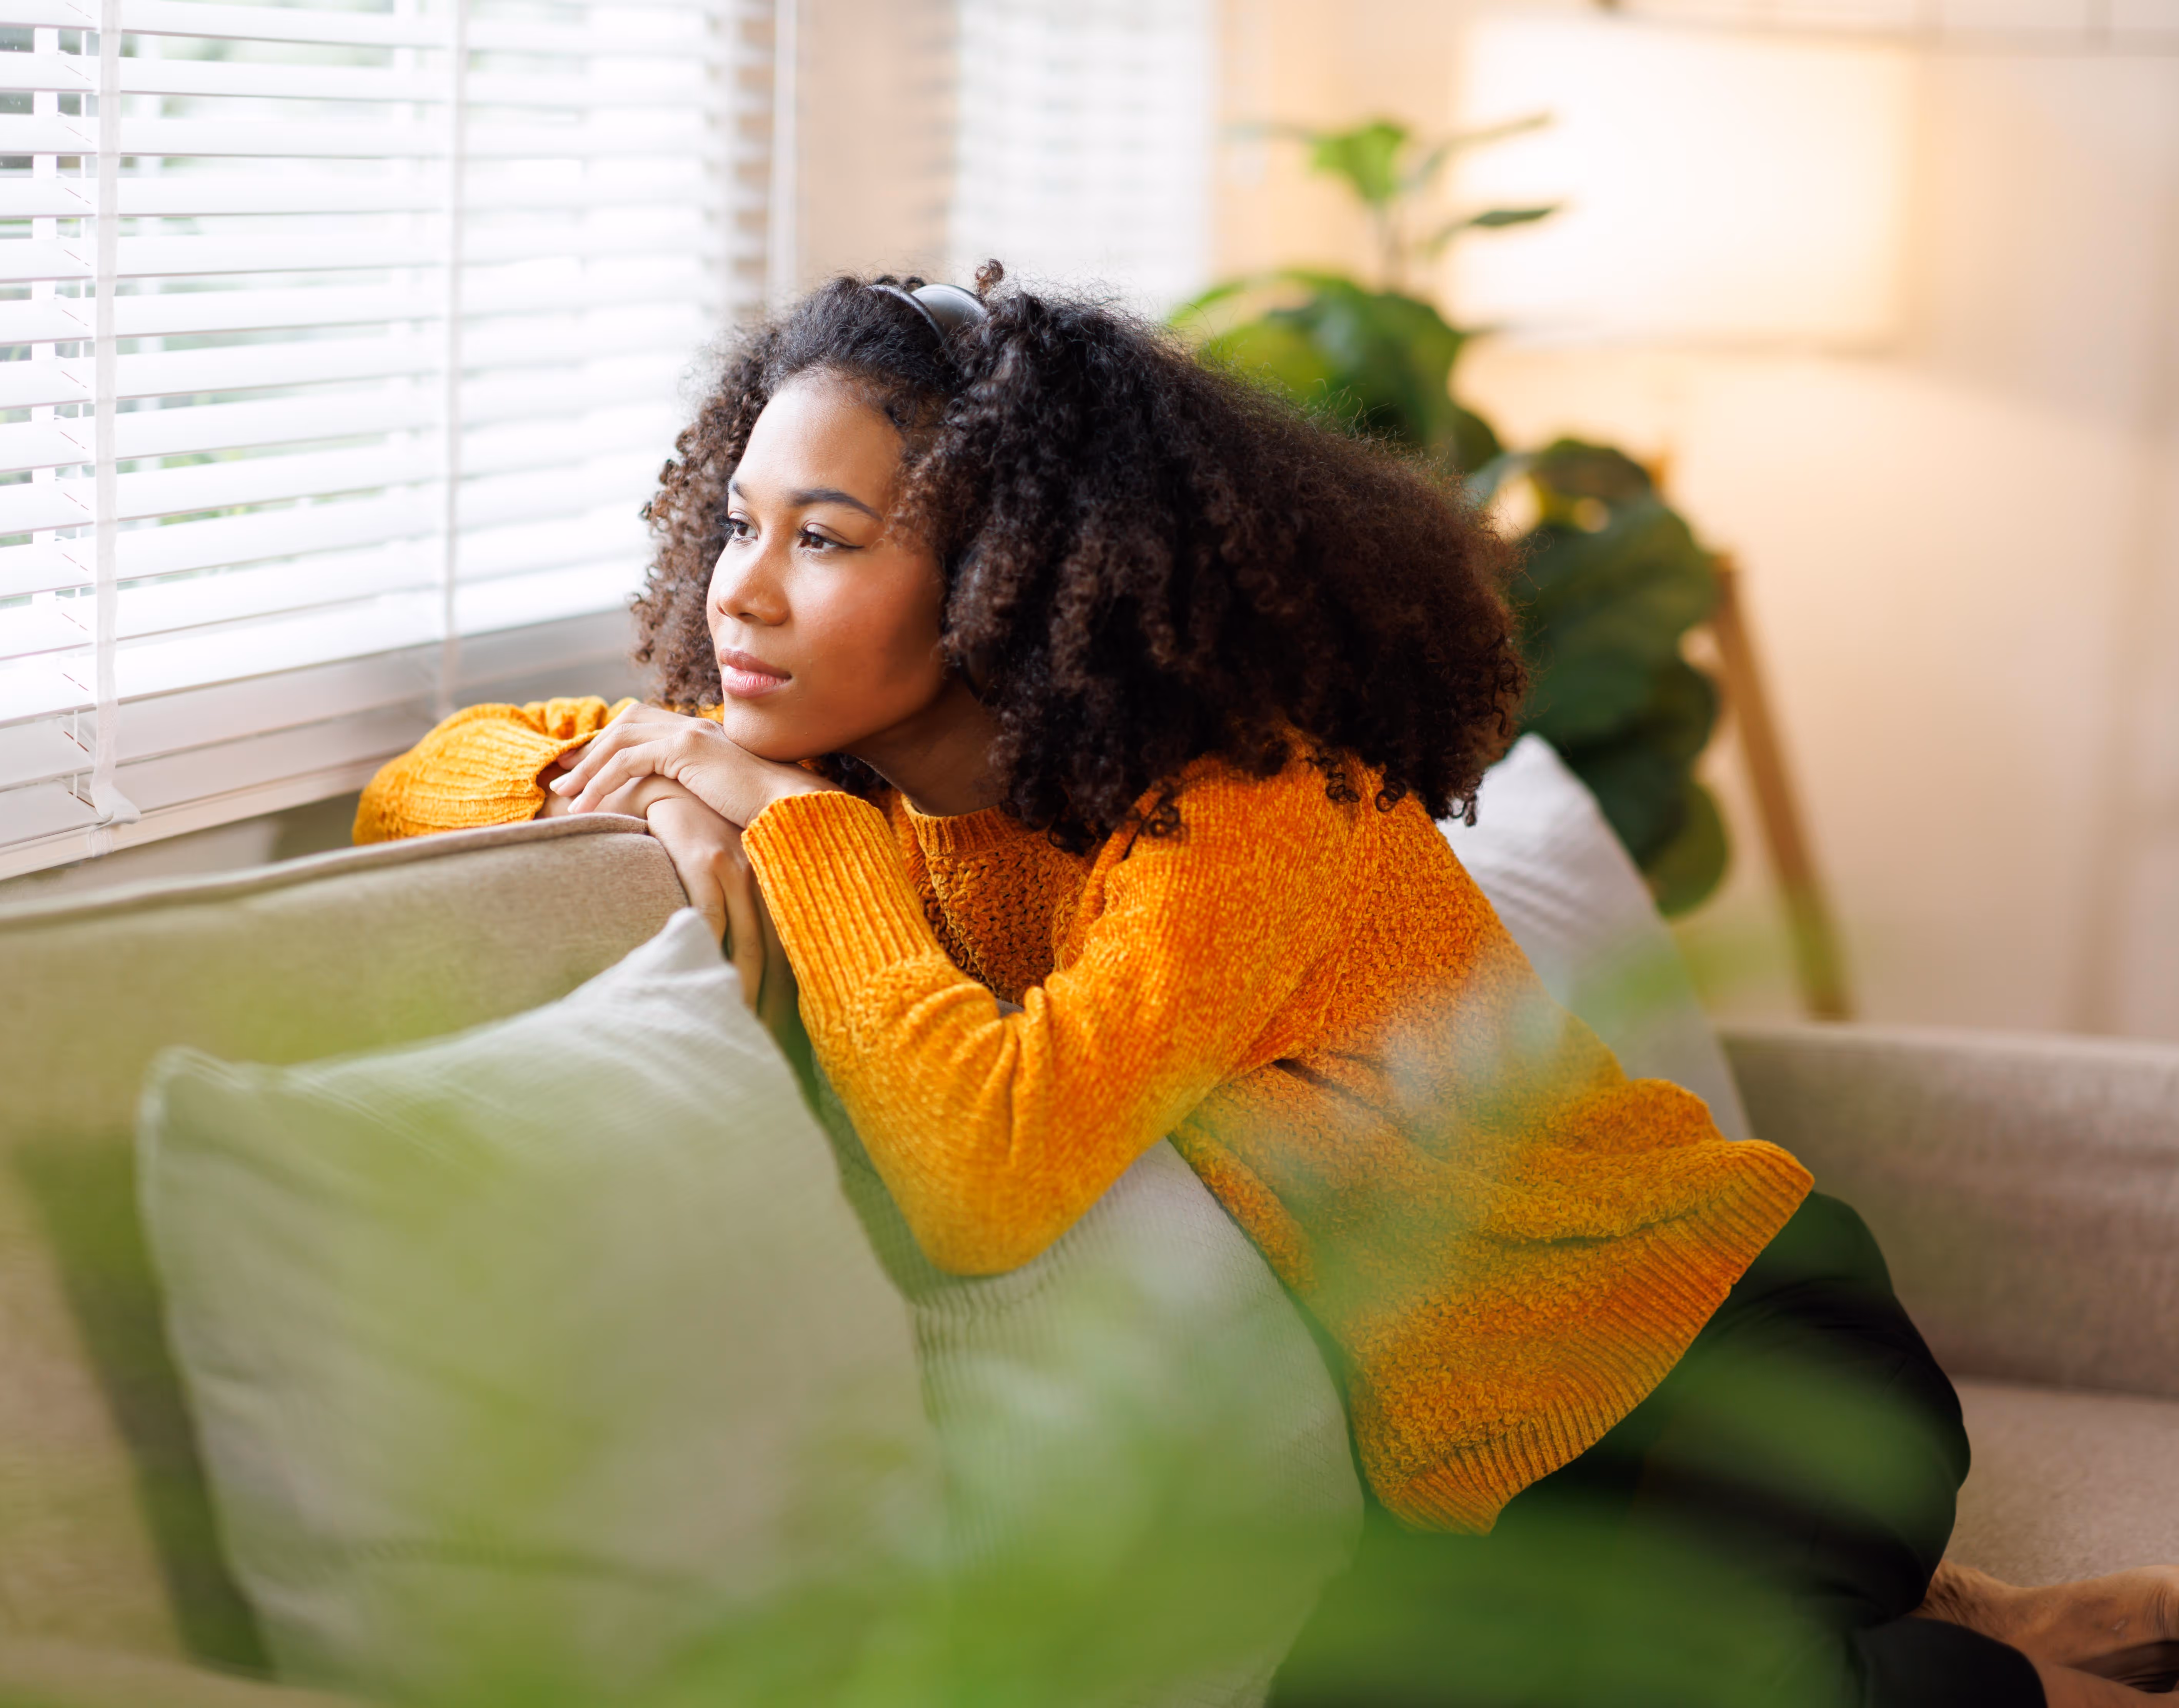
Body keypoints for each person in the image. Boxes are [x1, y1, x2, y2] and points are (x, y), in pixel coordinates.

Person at [353, 268, 2177, 1706]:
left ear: (1001, 576)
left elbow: (986, 1179)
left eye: (823, 539)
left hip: (1720, 1359)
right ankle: (2014, 1626)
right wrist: (657, 774)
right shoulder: (814, 759)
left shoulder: (1241, 799)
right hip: (1470, 1477)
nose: (740, 595)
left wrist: (780, 831)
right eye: (738, 524)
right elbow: (417, 781)